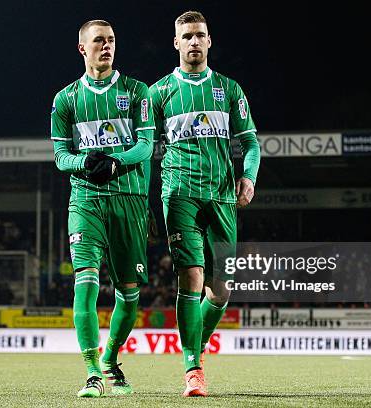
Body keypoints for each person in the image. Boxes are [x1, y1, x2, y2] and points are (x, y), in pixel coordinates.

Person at [149, 10, 261, 397]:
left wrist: (248, 177)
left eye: (200, 35)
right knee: (191, 277)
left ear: (209, 41)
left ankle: (194, 345)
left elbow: (251, 144)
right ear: (176, 43)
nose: (194, 42)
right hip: (179, 193)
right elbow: (144, 145)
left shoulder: (229, 89)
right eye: (187, 36)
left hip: (222, 196)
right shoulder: (159, 92)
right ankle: (192, 368)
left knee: (221, 290)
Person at [51, 19, 155, 397]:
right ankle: (92, 372)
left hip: (129, 198)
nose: (106, 47)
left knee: (130, 293)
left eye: (111, 40)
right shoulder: (65, 99)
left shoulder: (137, 91)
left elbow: (145, 147)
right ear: (83, 48)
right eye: (99, 41)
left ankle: (111, 357)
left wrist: (112, 161)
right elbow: (61, 157)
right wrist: (85, 164)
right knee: (86, 281)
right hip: (86, 199)